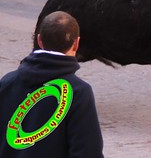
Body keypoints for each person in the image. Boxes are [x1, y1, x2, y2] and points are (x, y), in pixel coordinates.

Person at [0, 11, 104, 157]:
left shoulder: (7, 82)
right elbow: (88, 151)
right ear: (76, 43)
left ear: (40, 40)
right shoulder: (78, 92)